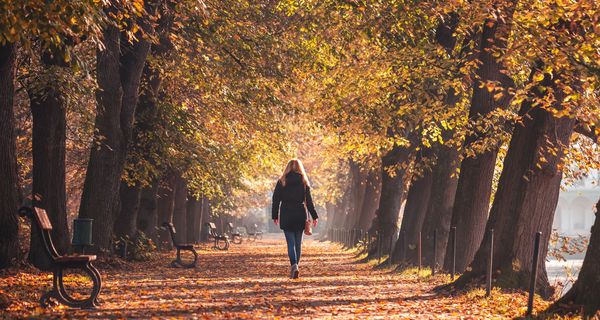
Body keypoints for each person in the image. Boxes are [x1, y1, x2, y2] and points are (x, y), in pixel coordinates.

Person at [272, 159, 318, 279]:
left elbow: (276, 200)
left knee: (290, 243)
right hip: (299, 213)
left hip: (286, 213)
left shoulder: (282, 181)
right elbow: (309, 202)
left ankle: (294, 266)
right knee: (298, 243)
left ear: (287, 168)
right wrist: (314, 216)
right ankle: (296, 265)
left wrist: (275, 215)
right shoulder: (303, 182)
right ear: (300, 168)